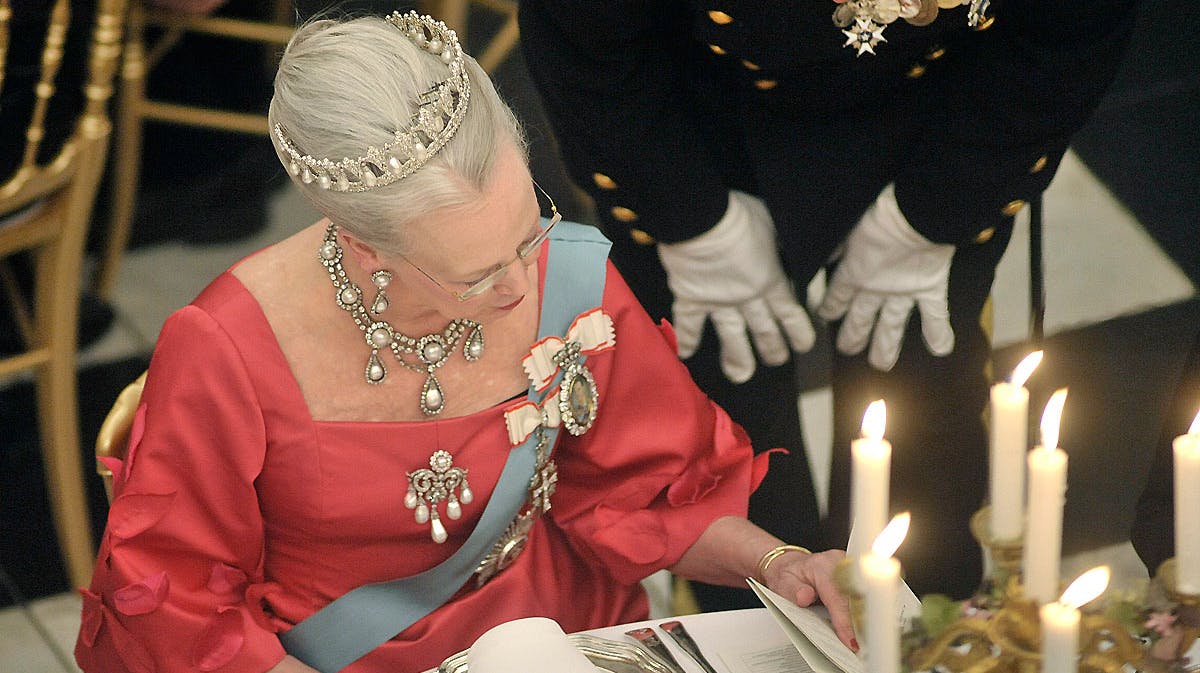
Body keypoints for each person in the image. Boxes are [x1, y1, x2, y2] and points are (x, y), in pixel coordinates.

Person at [73, 13, 854, 673]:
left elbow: (649, 491)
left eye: (528, 230)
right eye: (474, 275)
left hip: (565, 642)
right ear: (364, 247)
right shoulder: (228, 348)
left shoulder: (563, 274)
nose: (522, 287)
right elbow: (178, 605)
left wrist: (780, 564)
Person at [518, 0, 1140, 602]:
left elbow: (1067, 31)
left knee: (921, 420)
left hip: (945, 108)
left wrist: (938, 208)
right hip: (683, 105)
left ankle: (916, 630)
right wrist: (687, 216)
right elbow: (585, 37)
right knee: (711, 431)